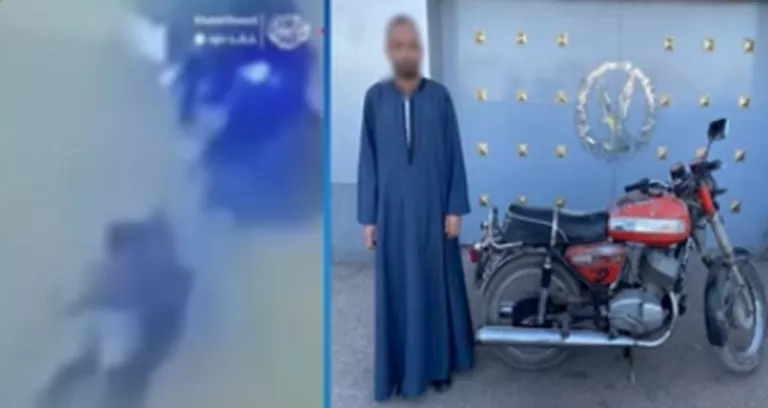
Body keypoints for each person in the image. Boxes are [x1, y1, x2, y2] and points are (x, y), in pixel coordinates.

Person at [356, 13, 475, 401]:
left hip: (434, 213)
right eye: (398, 46)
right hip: (391, 217)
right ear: (390, 51)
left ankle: (438, 366)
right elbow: (367, 160)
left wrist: (454, 208)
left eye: (412, 45)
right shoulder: (375, 99)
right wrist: (369, 218)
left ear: (420, 51)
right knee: (398, 292)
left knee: (436, 289)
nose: (405, 52)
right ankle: (399, 370)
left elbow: (454, 154)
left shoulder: (439, 97)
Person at [38, 214, 193, 408]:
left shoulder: (148, 266)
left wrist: (73, 307)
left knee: (121, 375)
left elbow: (106, 292)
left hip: (150, 340)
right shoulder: (149, 264)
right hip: (146, 340)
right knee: (97, 367)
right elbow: (103, 292)